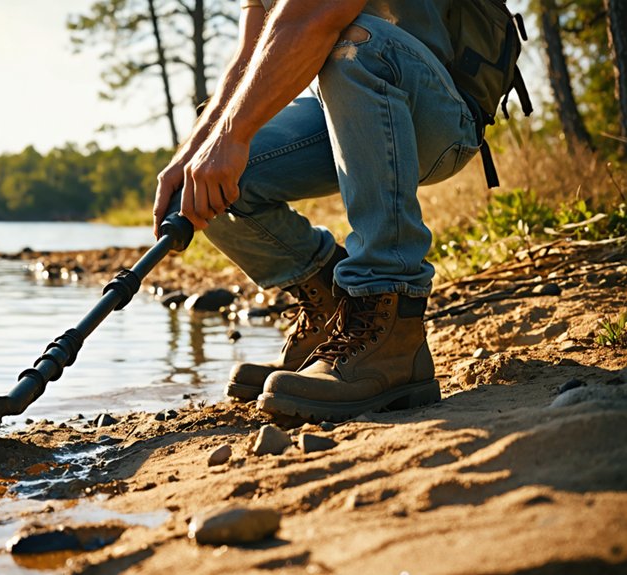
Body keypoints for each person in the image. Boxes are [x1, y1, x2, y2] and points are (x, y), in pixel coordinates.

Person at [152, 0, 480, 422]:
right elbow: (254, 49)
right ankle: (334, 314)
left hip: (438, 113)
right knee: (199, 188)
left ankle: (392, 327)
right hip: (347, 102)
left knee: (354, 40)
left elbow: (318, 16)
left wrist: (231, 136)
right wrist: (197, 148)